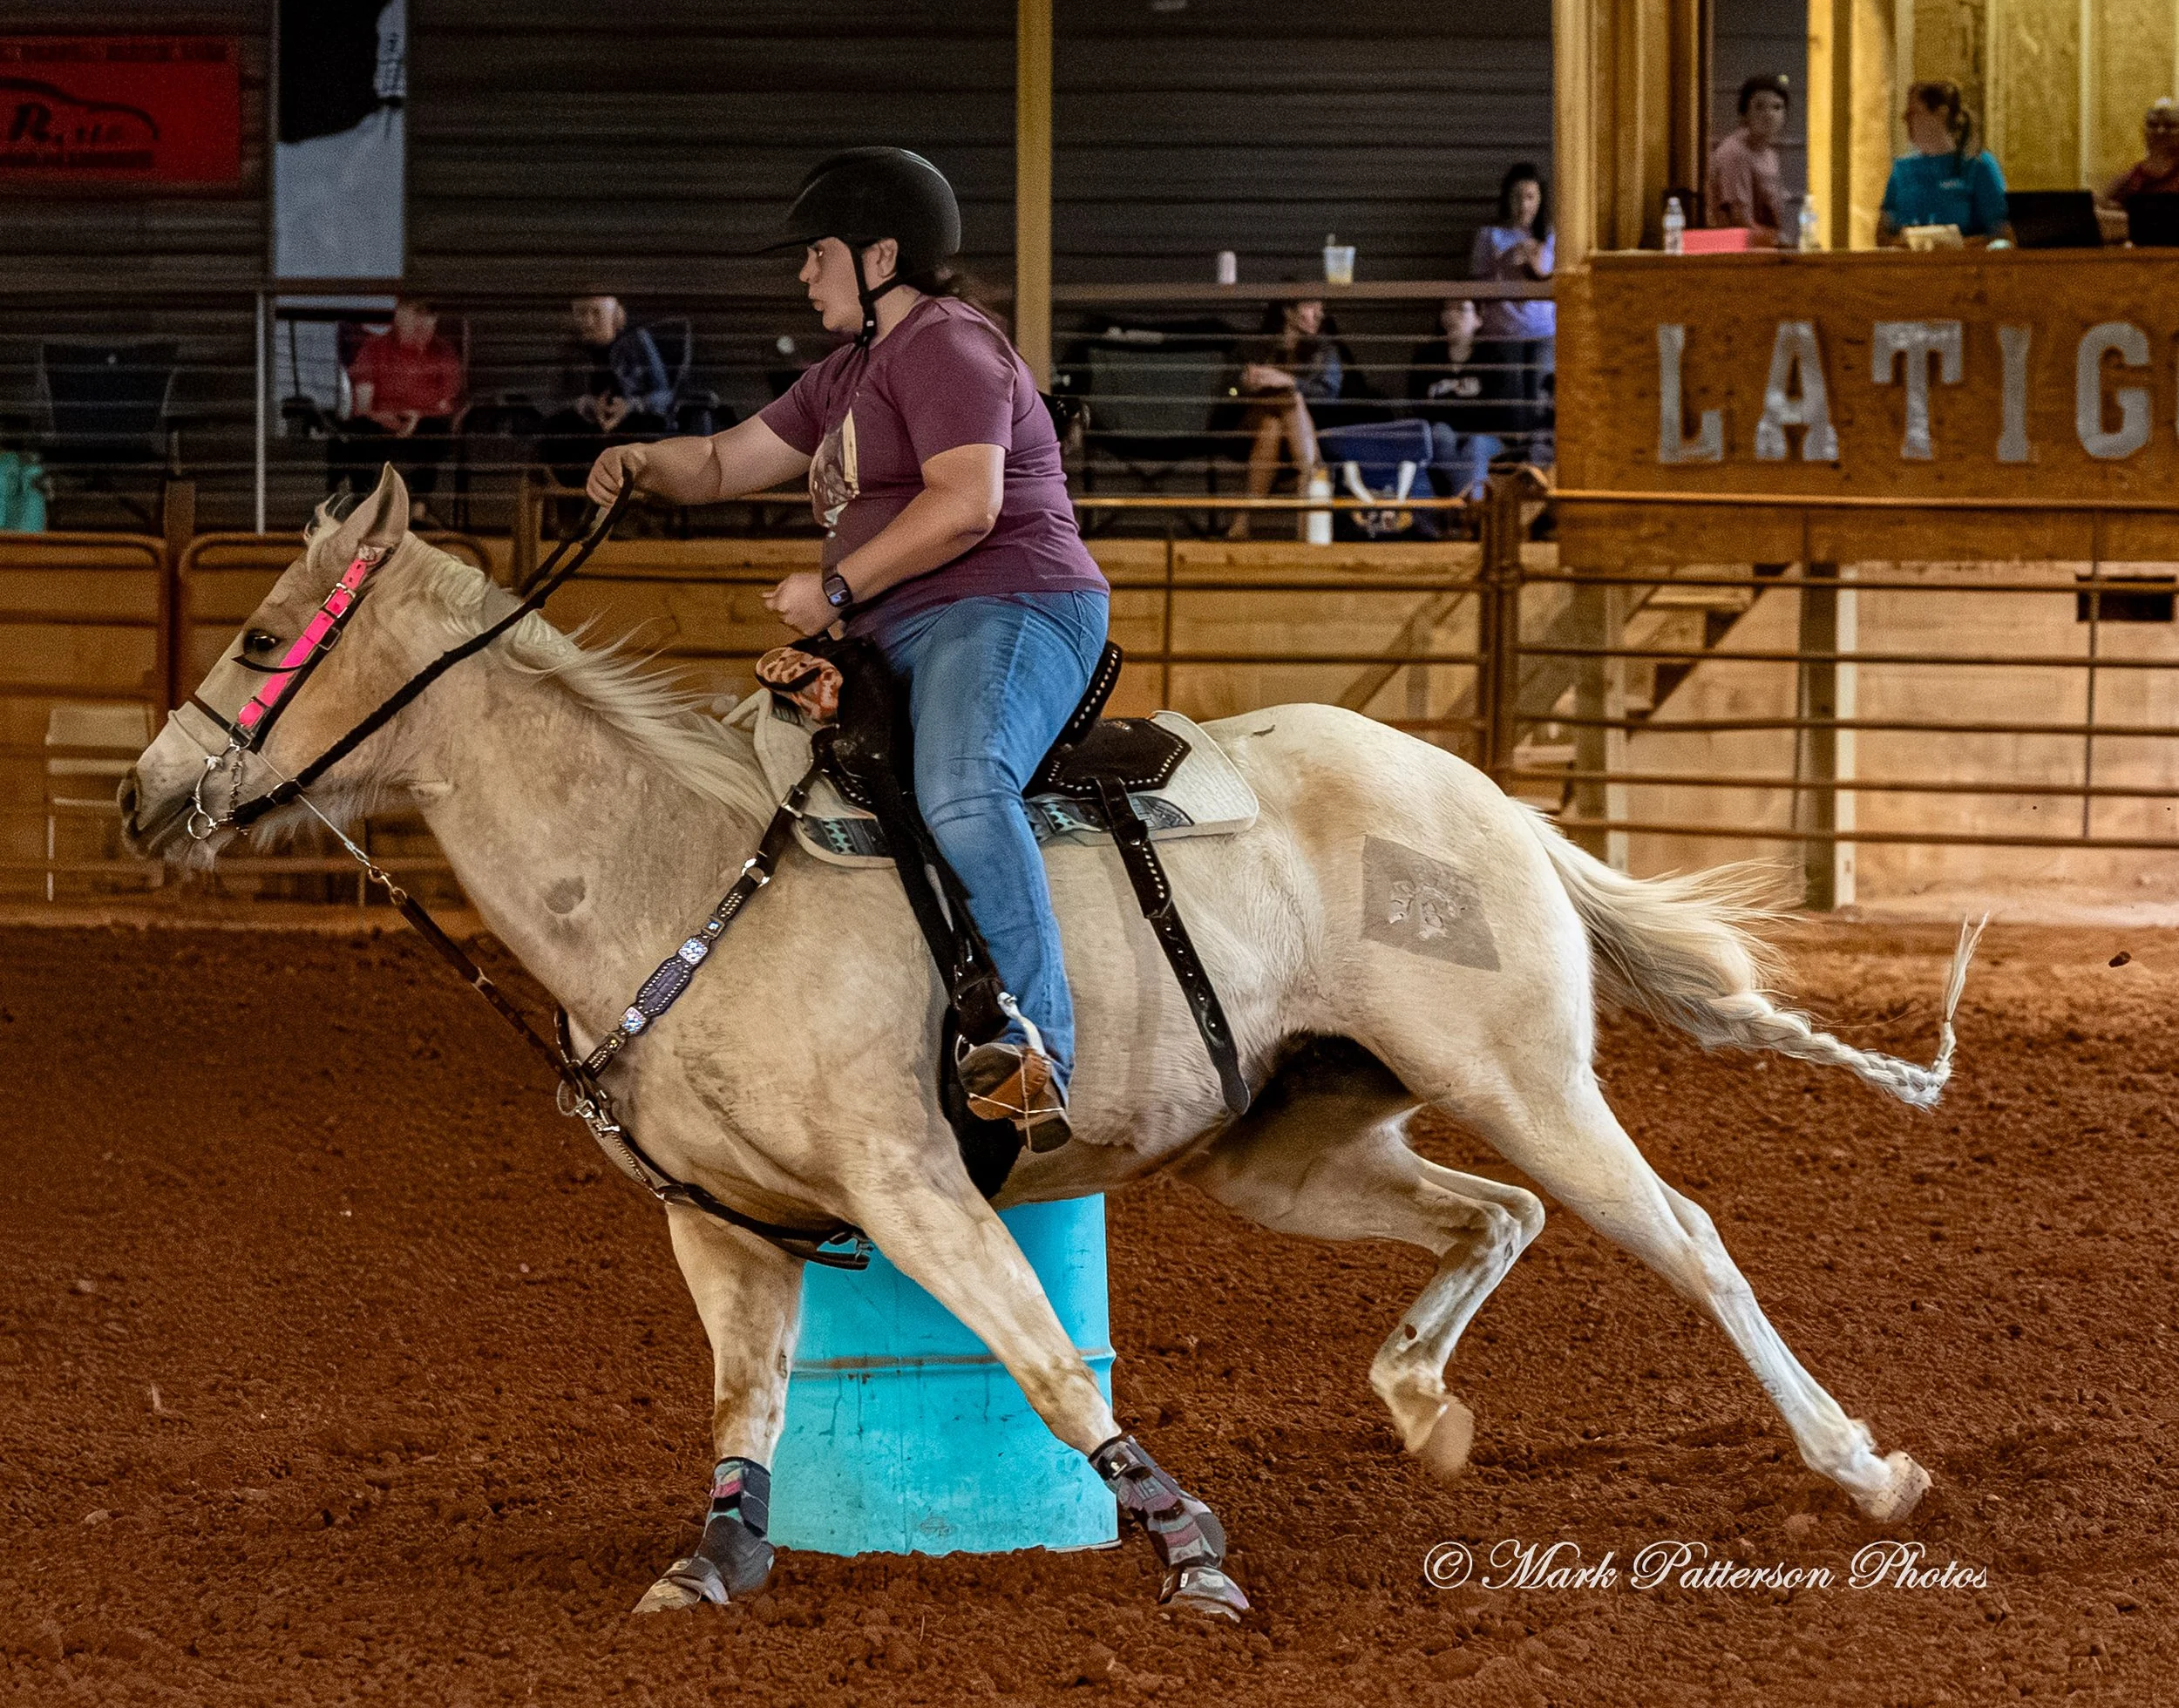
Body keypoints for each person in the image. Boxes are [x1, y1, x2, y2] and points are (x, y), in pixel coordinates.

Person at [584, 148, 1110, 1149]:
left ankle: (1038, 1050)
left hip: (1006, 602)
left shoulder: (949, 342)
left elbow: (968, 504)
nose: (803, 273)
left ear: (879, 257)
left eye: (816, 253)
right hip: (895, 625)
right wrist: (642, 460)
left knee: (962, 788)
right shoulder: (843, 376)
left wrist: (833, 588)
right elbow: (720, 461)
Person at [326, 296, 465, 523]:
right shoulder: (374, 348)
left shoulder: (444, 353)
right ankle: (361, 504)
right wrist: (381, 417)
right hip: (380, 424)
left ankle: (419, 509)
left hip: (424, 425)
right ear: (400, 315)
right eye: (417, 313)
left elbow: (449, 404)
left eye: (429, 316)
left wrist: (417, 417)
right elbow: (363, 403)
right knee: (358, 431)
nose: (423, 322)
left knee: (435, 432)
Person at [1223, 296, 1342, 540]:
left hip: (1296, 434)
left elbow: (1329, 395)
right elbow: (1228, 390)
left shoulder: (1325, 350)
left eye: (1321, 309)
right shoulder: (1256, 347)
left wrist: (1289, 381)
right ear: (1288, 312)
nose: (1319, 315)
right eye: (1310, 307)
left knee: (1274, 424)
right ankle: (1313, 482)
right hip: (1248, 430)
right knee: (1288, 400)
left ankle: (1241, 524)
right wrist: (1246, 384)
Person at [533, 295, 675, 489]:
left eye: (596, 312)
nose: (588, 321)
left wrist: (630, 406)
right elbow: (549, 401)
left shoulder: (637, 341)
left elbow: (665, 396)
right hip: (584, 438)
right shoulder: (569, 349)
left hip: (630, 431)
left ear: (616, 316)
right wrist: (584, 405)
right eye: (581, 313)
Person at [1470, 163, 1556, 464]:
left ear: (1540, 200)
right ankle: (1510, 466)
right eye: (1518, 197)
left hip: (1544, 331)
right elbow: (1475, 285)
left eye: (1531, 197)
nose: (1524, 205)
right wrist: (1503, 262)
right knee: (1510, 405)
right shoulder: (1489, 235)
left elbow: (1558, 280)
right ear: (1507, 198)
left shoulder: (1549, 236)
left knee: (1542, 402)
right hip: (1503, 333)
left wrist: (1536, 264)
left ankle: (1539, 465)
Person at [1877, 81, 2013, 246]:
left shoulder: (1978, 165)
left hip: (1963, 260)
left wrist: (1951, 246)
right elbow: (1883, 234)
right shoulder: (1902, 170)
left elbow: (2002, 233)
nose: (1905, 120)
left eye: (1914, 113)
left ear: (1941, 114)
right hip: (1910, 260)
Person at [1405, 297, 1514, 500]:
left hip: (1485, 437)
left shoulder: (1492, 358)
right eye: (1447, 309)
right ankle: (1469, 508)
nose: (1452, 315)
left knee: (1476, 445)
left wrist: (1450, 406)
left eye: (1461, 310)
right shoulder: (1427, 358)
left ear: (1478, 320)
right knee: (1441, 433)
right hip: (1443, 436)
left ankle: (1459, 507)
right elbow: (1419, 407)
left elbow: (1499, 412)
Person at [1708, 73, 1792, 242]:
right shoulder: (1734, 153)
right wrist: (1780, 241)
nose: (1769, 115)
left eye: (1777, 107)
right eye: (1759, 107)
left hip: (1764, 245)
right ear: (1744, 114)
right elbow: (1740, 220)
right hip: (1735, 249)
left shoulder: (1770, 154)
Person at [2101, 96, 2179, 204]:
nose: (2160, 131)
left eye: (2169, 125)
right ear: (2144, 132)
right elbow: (2102, 204)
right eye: (2153, 125)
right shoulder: (2131, 178)